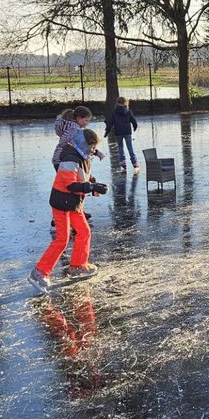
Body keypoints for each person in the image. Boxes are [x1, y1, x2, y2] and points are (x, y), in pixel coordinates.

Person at [30, 128, 109, 293]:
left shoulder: (82, 157)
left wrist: (94, 184)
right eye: (92, 147)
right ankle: (40, 272)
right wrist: (91, 187)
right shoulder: (69, 159)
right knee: (63, 238)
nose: (93, 150)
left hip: (73, 203)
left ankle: (78, 266)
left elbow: (83, 176)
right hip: (61, 202)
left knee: (84, 232)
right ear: (84, 144)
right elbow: (70, 185)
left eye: (95, 147)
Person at [104, 97, 140, 173]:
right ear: (126, 103)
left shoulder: (114, 112)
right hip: (127, 132)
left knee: (120, 147)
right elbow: (133, 120)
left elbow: (110, 123)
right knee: (130, 147)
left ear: (117, 103)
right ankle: (135, 163)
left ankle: (123, 162)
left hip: (118, 132)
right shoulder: (128, 111)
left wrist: (107, 131)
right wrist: (135, 127)